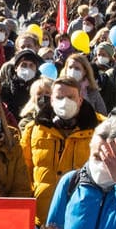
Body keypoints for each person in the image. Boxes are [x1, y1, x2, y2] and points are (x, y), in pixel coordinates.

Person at [21, 75, 99, 216]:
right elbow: (23, 173)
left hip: (83, 215)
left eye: (70, 97)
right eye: (59, 97)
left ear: (80, 100)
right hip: (43, 215)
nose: (65, 102)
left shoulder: (99, 128)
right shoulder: (33, 129)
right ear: (51, 100)